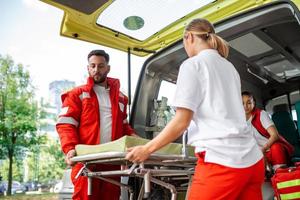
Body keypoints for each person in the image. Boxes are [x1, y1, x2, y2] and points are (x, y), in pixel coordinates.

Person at [126, 18, 264, 200]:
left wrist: (147, 149)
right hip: (253, 161)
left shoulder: (193, 65)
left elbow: (182, 121)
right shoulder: (229, 67)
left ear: (189, 37)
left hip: (222, 162)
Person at [56, 50, 136, 200]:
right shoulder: (76, 94)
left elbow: (124, 126)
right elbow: (65, 125)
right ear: (88, 68)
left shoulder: (121, 99)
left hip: (112, 161)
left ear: (108, 68)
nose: (96, 70)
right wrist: (69, 148)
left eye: (100, 66)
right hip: (86, 160)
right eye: (92, 66)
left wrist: (137, 140)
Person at [242, 91, 294, 171]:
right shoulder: (239, 122)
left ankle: (280, 173)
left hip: (272, 150)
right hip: (257, 154)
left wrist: (264, 148)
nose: (245, 106)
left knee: (275, 147)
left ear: (254, 103)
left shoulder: (261, 114)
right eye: (242, 103)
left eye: (249, 103)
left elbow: (275, 135)